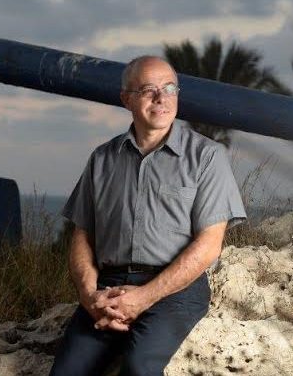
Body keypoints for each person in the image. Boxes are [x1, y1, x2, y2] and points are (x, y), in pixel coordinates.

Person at [49, 56, 247, 375]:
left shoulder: (207, 157)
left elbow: (209, 245)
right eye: (148, 90)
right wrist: (89, 295)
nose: (160, 98)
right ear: (126, 99)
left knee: (139, 368)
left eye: (169, 89)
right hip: (109, 287)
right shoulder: (102, 159)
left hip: (176, 291)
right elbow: (82, 238)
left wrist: (142, 298)